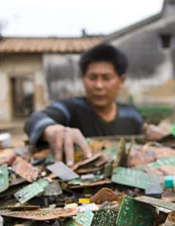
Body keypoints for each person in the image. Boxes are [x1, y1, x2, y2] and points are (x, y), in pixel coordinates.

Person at [24, 43, 167, 166]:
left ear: (121, 80)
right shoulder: (71, 108)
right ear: (83, 79)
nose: (99, 85)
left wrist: (150, 131)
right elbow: (35, 119)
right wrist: (53, 130)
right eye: (92, 78)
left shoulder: (131, 114)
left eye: (106, 78)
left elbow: (142, 130)